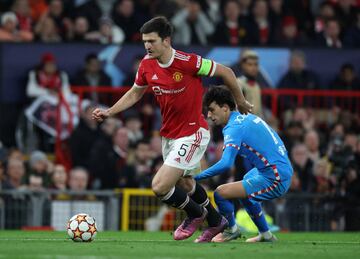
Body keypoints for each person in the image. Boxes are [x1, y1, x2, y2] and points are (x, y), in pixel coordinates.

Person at [92, 16, 253, 243]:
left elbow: (226, 71)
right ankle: (217, 221)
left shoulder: (188, 62)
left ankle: (196, 214)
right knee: (185, 184)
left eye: (152, 41)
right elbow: (135, 92)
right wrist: (110, 111)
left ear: (166, 40)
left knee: (159, 186)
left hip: (193, 132)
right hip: (169, 134)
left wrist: (241, 101)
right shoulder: (146, 65)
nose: (147, 46)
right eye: (144, 41)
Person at [194, 86, 293, 242]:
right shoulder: (247, 117)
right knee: (245, 187)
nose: (209, 115)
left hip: (275, 176)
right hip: (278, 169)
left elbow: (226, 164)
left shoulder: (233, 128)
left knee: (220, 193)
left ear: (225, 108)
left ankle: (231, 230)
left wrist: (196, 177)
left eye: (212, 110)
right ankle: (266, 235)